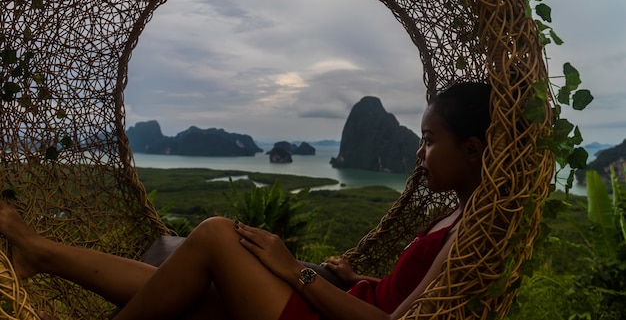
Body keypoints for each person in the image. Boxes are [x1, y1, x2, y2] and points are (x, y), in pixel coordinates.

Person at [0, 82, 492, 320]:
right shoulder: (461, 213)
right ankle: (41, 253)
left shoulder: (470, 230)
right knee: (195, 288)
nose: (419, 151)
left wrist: (294, 270)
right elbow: (409, 297)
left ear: (471, 149)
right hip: (340, 302)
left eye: (429, 140)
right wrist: (357, 278)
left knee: (215, 232)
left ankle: (39, 252)